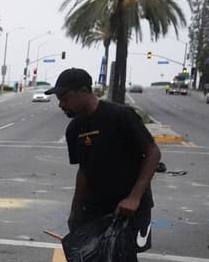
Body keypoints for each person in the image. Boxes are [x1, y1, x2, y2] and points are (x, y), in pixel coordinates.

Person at [48, 68, 161, 250]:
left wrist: (134, 198)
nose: (61, 104)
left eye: (64, 97)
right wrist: (76, 210)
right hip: (95, 208)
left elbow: (153, 153)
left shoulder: (121, 116)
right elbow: (83, 169)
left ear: (84, 91)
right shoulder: (74, 129)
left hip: (128, 208)